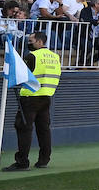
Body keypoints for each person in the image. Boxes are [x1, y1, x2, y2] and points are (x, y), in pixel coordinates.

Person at [4, 30, 61, 170]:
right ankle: (44, 160)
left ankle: (22, 162)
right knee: (44, 130)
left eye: (31, 41)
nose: (29, 43)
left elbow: (22, 74)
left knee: (24, 129)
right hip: (46, 97)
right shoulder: (55, 57)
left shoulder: (32, 56)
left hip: (30, 98)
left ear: (40, 42)